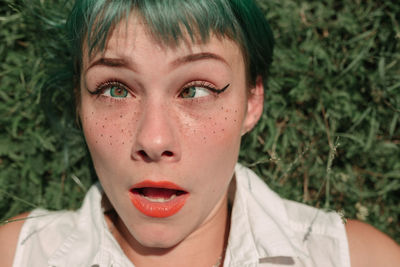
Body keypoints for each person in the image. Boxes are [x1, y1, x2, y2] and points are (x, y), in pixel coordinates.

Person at [1, 0, 399, 266]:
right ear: (79, 103)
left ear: (252, 100)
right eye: (115, 90)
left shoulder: (359, 259)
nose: (154, 141)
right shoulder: (16, 254)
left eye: (195, 90)